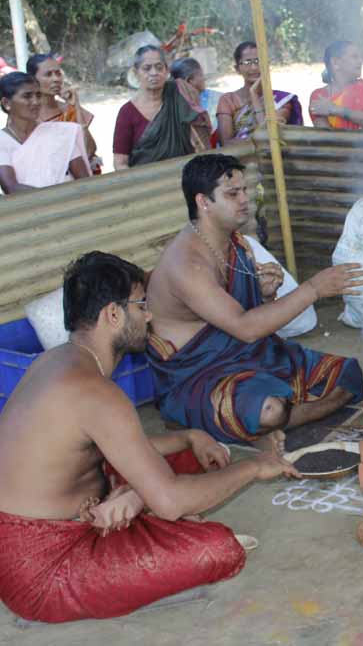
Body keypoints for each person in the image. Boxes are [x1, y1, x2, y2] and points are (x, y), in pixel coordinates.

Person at [0, 252, 299, 623]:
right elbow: (171, 502)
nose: (149, 316)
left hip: (62, 516)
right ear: (113, 314)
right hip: (42, 569)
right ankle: (139, 510)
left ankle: (135, 503)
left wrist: (188, 437)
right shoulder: (94, 392)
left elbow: (100, 447)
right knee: (217, 549)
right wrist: (254, 468)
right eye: (141, 306)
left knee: (189, 457)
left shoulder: (57, 361)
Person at [145, 154, 363, 447]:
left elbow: (247, 318)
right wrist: (314, 288)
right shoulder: (186, 264)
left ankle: (265, 423)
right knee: (270, 409)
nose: (244, 200)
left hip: (248, 355)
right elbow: (246, 327)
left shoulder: (237, 244)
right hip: (199, 377)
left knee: (346, 373)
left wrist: (264, 294)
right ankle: (233, 419)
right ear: (203, 202)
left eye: (244, 190)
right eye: (232, 194)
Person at [113, 46, 212, 170]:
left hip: (187, 174)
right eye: (147, 68)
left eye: (159, 67)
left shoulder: (181, 93)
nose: (154, 73)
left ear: (166, 70)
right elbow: (120, 163)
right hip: (145, 179)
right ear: (136, 73)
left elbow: (200, 137)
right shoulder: (127, 113)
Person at [0, 72, 89, 194]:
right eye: (27, 96)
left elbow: (84, 180)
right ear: (7, 103)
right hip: (32, 205)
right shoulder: (2, 141)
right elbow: (11, 187)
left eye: (38, 95)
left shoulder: (61, 133)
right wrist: (55, 197)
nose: (36, 102)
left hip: (73, 201)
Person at [217, 42, 303, 145]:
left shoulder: (281, 100)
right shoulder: (228, 100)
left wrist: (255, 98)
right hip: (240, 154)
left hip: (271, 154)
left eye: (258, 61)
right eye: (247, 62)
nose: (254, 67)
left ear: (267, 65)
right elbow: (226, 143)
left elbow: (270, 136)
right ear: (237, 69)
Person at [27, 53, 100, 173]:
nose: (56, 79)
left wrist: (76, 106)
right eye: (48, 74)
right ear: (32, 79)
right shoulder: (27, 118)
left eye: (58, 73)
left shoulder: (69, 108)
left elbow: (89, 151)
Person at [309, 41, 363, 131]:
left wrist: (335, 109)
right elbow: (325, 135)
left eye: (360, 57)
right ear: (335, 62)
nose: (360, 61)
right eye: (354, 57)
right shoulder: (320, 96)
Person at [171, 56, 222, 135]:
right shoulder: (216, 99)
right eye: (201, 75)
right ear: (189, 80)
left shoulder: (171, 104)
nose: (204, 78)